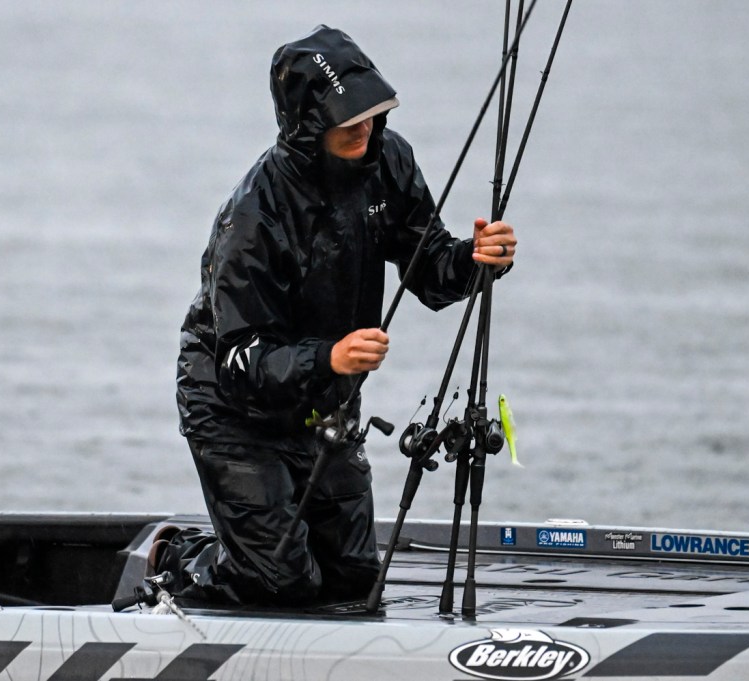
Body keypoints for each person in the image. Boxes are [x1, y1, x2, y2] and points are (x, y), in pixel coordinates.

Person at [169, 25, 517, 606]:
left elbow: (429, 268)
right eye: (348, 121)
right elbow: (239, 364)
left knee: (354, 581)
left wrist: (477, 259)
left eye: (372, 115)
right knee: (279, 581)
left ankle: (250, 545)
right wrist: (330, 357)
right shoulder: (253, 219)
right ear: (308, 126)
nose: (365, 130)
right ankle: (174, 560)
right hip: (233, 409)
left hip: (324, 402)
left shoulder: (389, 159)